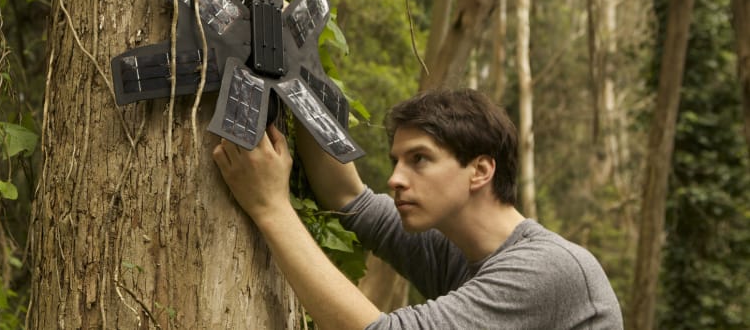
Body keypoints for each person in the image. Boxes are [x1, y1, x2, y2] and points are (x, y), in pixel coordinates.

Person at [211, 88, 623, 329]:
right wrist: (296, 72)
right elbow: (349, 199)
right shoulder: (459, 252)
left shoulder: (548, 268)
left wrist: (270, 208)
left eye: (419, 159)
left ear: (480, 170)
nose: (395, 179)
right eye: (396, 162)